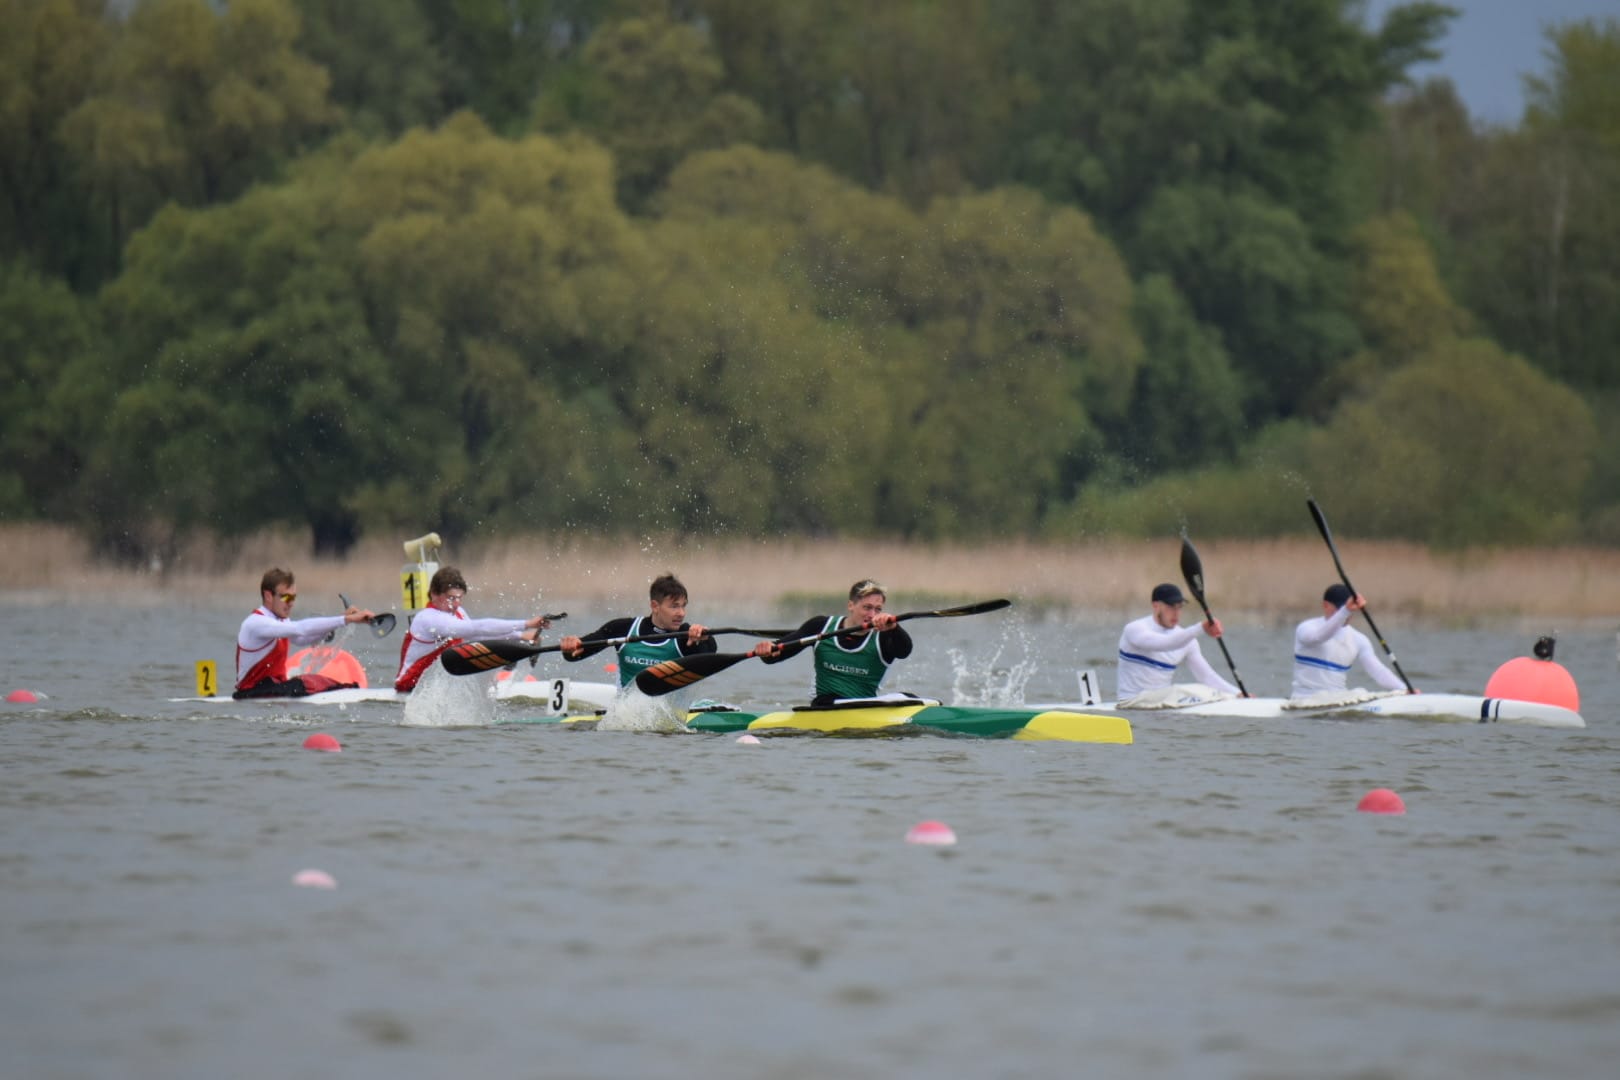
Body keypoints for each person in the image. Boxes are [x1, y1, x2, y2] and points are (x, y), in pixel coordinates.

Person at [750, 579, 913, 704]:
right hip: (825, 705)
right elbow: (776, 655)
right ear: (851, 605)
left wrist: (894, 627)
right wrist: (767, 650)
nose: (872, 615)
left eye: (877, 609)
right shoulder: (820, 626)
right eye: (867, 607)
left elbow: (904, 651)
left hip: (863, 706)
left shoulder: (885, 634)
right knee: (827, 700)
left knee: (908, 698)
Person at [394, 566, 554, 692]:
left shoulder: (457, 613)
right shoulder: (428, 618)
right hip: (410, 687)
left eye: (459, 598)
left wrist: (520, 636)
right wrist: (526, 624)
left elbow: (479, 637)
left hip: (440, 685)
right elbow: (478, 628)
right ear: (434, 594)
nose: (456, 604)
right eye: (451, 598)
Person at [235, 568, 377, 698]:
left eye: (293, 598)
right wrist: (346, 619)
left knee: (312, 682)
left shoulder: (280, 622)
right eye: (286, 597)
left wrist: (334, 624)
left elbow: (302, 639)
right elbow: (300, 629)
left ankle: (349, 690)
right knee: (305, 683)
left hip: (271, 689)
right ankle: (352, 691)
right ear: (268, 596)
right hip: (250, 693)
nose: (291, 603)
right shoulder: (256, 623)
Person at [559, 573, 716, 689]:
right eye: (674, 606)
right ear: (655, 606)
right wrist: (570, 647)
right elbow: (575, 655)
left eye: (683, 606)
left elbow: (710, 657)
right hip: (627, 715)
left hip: (672, 720)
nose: (681, 613)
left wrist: (704, 637)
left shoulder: (685, 636)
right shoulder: (623, 629)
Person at [1115, 583, 1240, 707]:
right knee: (1180, 691)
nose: (1176, 613)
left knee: (1204, 690)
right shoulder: (1135, 629)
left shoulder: (1187, 640)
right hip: (1131, 702)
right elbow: (1164, 644)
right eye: (1171, 607)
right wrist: (1201, 628)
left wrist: (1238, 694)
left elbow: (1206, 677)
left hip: (1162, 705)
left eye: (1179, 607)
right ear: (1156, 605)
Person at [1291, 584, 1407, 700]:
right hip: (1304, 699)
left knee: (1361, 693)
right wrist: (1346, 610)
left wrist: (1404, 689)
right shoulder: (1306, 628)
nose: (1347, 615)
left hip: (1339, 700)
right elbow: (1318, 637)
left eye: (1351, 610)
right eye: (1340, 608)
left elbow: (1378, 672)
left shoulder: (1359, 639)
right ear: (1325, 605)